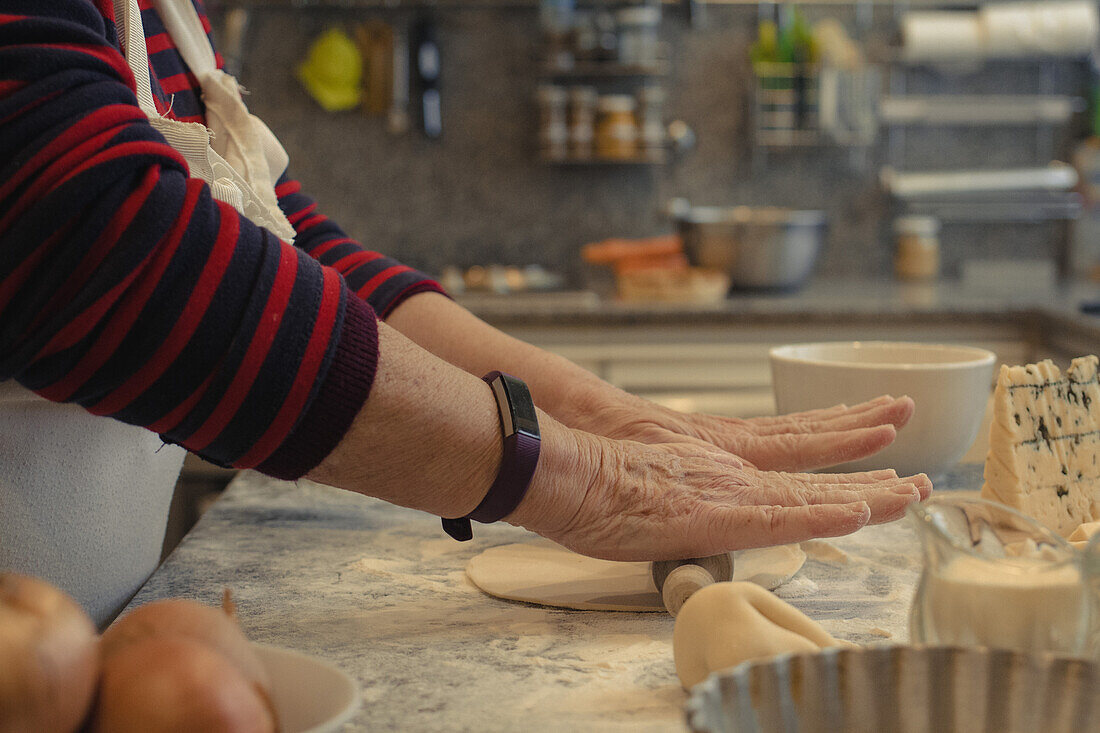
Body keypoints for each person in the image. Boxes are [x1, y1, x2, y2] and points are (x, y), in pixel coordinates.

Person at [0, 0, 931, 626]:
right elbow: (90, 240)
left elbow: (292, 245)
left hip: (83, 644)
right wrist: (577, 478)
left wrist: (598, 416)